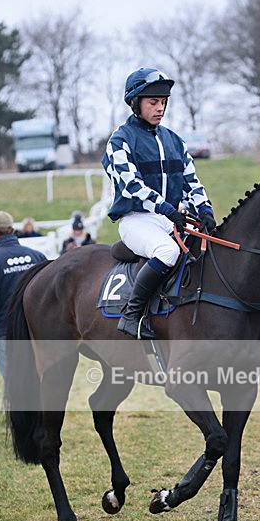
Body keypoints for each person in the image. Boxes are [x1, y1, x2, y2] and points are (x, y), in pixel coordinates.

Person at [102, 67, 216, 339]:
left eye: (163, 102)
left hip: (169, 218)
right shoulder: (120, 141)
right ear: (135, 103)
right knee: (168, 252)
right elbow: (132, 185)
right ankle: (132, 314)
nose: (160, 108)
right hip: (137, 220)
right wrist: (167, 209)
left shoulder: (175, 141)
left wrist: (205, 209)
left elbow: (191, 182)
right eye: (153, 102)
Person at [0, 211, 47, 379]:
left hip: (7, 330)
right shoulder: (36, 256)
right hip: (36, 329)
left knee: (13, 383)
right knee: (37, 379)